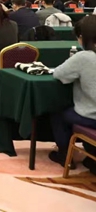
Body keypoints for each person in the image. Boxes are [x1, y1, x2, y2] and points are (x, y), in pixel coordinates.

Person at [48, 15, 96, 172]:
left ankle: (64, 155)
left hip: (91, 116)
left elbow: (58, 74)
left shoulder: (84, 57)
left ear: (82, 37)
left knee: (58, 112)